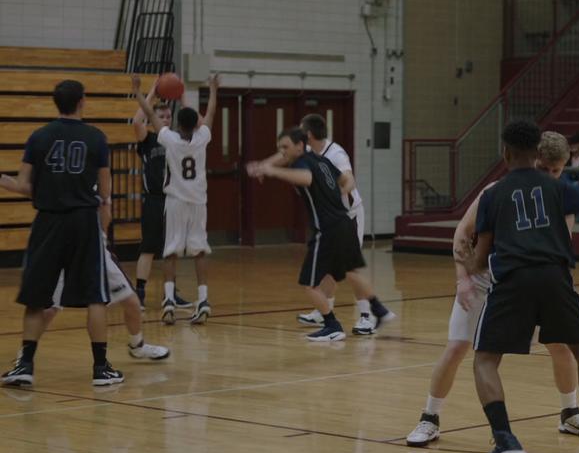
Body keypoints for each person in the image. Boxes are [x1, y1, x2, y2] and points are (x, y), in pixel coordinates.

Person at [405, 131, 579, 448]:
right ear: (533, 160)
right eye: (545, 169)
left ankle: (570, 413)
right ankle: (429, 418)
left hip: (522, 282)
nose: (550, 176)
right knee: (457, 348)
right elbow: (462, 235)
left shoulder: (561, 199)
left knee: (561, 348)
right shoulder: (497, 191)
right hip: (484, 279)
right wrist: (462, 279)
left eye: (556, 171)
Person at [461, 120, 579, 453]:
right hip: (556, 276)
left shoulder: (493, 194)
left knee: (485, 360)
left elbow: (480, 259)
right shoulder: (558, 187)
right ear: (538, 154)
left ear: (505, 153)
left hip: (512, 280)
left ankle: (505, 440)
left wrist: (466, 257)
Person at [0, 80, 124, 386]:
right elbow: (105, 189)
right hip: (83, 221)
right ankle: (100, 368)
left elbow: (25, 187)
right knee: (95, 296)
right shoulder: (96, 137)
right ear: (82, 101)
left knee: (36, 295)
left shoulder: (38, 136)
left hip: (49, 221)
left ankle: (25, 365)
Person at [246, 128, 393, 342]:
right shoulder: (322, 161)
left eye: (285, 147)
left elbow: (305, 178)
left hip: (327, 229)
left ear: (300, 145)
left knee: (310, 283)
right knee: (350, 272)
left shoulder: (301, 163)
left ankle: (332, 325)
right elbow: (346, 179)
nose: (282, 152)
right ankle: (380, 310)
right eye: (279, 148)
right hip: (344, 222)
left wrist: (272, 171)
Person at [133, 74, 218, 326]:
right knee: (199, 250)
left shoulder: (169, 138)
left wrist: (138, 92)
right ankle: (203, 299)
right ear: (196, 125)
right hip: (198, 203)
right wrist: (212, 89)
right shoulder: (203, 137)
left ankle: (168, 299)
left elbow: (148, 113)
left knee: (170, 252)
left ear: (177, 124)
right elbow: (211, 113)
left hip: (175, 202)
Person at [294, 114, 389, 334]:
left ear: (308, 134)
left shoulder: (335, 153)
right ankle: (323, 310)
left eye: (300, 130)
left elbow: (349, 178)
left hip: (348, 215)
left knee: (349, 267)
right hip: (331, 220)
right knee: (329, 266)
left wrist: (336, 198)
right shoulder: (309, 155)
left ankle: (367, 316)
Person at [131, 82, 192, 311]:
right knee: (148, 248)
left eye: (168, 116)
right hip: (154, 200)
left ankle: (171, 294)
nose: (166, 119)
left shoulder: (177, 140)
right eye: (162, 115)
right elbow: (137, 121)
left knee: (172, 249)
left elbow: (193, 121)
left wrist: (183, 94)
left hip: (174, 200)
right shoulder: (147, 139)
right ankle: (139, 293)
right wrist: (152, 94)